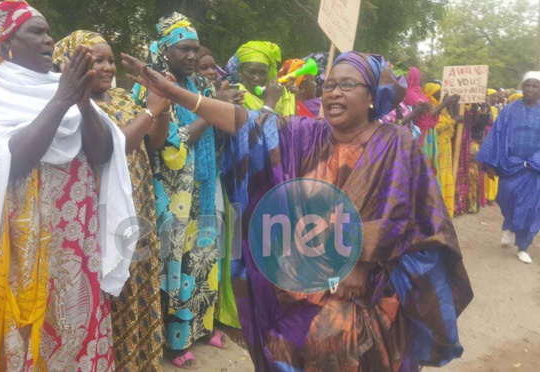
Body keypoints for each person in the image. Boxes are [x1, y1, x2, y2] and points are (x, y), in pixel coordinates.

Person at [132, 50, 473, 371]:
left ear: (372, 96)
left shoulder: (397, 142)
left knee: (343, 348)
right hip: (305, 279)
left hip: (369, 286)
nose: (334, 93)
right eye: (329, 85)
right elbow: (245, 122)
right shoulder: (308, 135)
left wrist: (361, 261)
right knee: (284, 346)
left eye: (347, 85)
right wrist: (175, 93)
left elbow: (406, 215)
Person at [0, 2, 136, 370]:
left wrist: (81, 99)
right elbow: (13, 160)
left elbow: (102, 152)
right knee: (35, 320)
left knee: (77, 311)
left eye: (48, 32)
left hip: (78, 237)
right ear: (8, 42)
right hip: (29, 244)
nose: (48, 39)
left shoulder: (60, 86)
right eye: (36, 33)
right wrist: (62, 99)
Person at [52, 30, 171, 372]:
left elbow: (157, 141)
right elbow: (111, 150)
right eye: (95, 61)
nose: (106, 67)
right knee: (112, 291)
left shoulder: (120, 98)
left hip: (139, 207)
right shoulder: (76, 109)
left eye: (108, 60)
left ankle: (140, 362)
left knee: (138, 284)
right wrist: (149, 111)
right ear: (71, 65)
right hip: (103, 216)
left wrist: (161, 106)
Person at [128, 12, 230, 369]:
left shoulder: (201, 88)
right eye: (183, 49)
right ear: (165, 51)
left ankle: (202, 329)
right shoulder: (149, 87)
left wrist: (221, 104)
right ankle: (175, 342)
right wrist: (215, 112)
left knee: (205, 259)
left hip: (202, 184)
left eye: (195, 49)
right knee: (178, 265)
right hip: (172, 193)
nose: (190, 56)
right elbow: (172, 145)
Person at [477, 71, 540, 264]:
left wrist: (534, 160)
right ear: (522, 87)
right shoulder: (509, 110)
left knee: (531, 207)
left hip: (535, 169)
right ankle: (510, 225)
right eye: (527, 85)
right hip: (509, 165)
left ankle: (523, 246)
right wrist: (490, 164)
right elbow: (496, 134)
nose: (530, 89)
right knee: (508, 198)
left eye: (535, 86)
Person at [425, 83, 462, 217]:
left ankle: (446, 208)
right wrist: (453, 121)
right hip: (436, 146)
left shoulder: (442, 108)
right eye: (437, 92)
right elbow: (437, 127)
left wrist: (452, 107)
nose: (440, 94)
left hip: (445, 146)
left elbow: (450, 123)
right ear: (430, 93)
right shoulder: (429, 106)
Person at [230, 41, 296, 115]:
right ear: (240, 70)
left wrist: (290, 97)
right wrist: (271, 101)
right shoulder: (234, 95)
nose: (257, 78)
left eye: (262, 73)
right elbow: (253, 125)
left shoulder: (275, 94)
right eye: (251, 72)